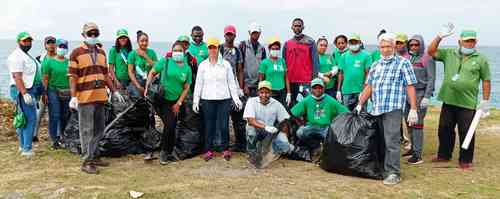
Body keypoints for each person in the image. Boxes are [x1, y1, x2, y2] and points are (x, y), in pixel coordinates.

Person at [356, 33, 418, 185]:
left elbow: (410, 86)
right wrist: (360, 103)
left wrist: (413, 108)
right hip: (376, 108)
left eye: (388, 46)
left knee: (392, 141)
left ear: (394, 46)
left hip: (393, 108)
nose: (385, 50)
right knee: (379, 140)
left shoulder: (403, 63)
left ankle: (393, 173)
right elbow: (369, 86)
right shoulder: (376, 65)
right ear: (379, 48)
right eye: (382, 47)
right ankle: (383, 168)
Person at [427, 23, 491, 170]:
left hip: (467, 103)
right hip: (448, 99)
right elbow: (431, 51)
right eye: (467, 40)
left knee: (466, 131)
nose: (469, 43)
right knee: (444, 128)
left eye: (472, 41)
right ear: (459, 42)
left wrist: (485, 100)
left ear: (475, 42)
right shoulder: (449, 53)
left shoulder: (481, 59)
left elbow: (486, 80)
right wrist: (439, 36)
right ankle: (444, 155)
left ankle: (465, 159)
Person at [68, 22, 125, 174]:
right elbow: (72, 76)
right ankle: (86, 161)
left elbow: (105, 75)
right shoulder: (76, 53)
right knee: (87, 130)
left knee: (99, 129)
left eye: (95, 33)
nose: (93, 36)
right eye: (90, 33)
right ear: (83, 35)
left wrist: (114, 91)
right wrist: (73, 96)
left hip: (100, 96)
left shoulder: (101, 53)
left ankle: (95, 156)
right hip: (85, 97)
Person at [193, 37, 243, 161]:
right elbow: (198, 84)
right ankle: (208, 150)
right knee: (209, 125)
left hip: (224, 99)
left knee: (224, 125)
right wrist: (196, 100)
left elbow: (232, 83)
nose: (212, 50)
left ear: (218, 48)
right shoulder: (203, 66)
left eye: (214, 47)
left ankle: (225, 149)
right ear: (207, 49)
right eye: (210, 47)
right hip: (207, 99)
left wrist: (236, 98)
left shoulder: (225, 65)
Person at [145, 41, 192, 165]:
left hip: (175, 101)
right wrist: (147, 87)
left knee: (171, 125)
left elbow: (186, 87)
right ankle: (164, 153)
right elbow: (152, 72)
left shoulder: (187, 68)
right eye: (175, 50)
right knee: (170, 125)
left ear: (184, 52)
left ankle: (169, 151)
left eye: (180, 51)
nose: (177, 53)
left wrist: (179, 103)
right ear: (172, 51)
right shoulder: (165, 61)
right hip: (162, 100)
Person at [291, 78, 349, 162]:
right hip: (311, 126)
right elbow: (293, 112)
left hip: (326, 128)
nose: (317, 90)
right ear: (311, 89)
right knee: (300, 132)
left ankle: (324, 151)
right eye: (315, 88)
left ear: (323, 88)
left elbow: (345, 112)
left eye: (320, 87)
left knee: (333, 140)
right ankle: (316, 146)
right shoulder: (307, 100)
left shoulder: (330, 100)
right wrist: (301, 123)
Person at [399, 35, 436, 164]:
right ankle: (413, 148)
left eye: (416, 45)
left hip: (420, 94)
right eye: (411, 45)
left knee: (417, 125)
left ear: (421, 45)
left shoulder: (427, 58)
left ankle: (418, 154)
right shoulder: (407, 58)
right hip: (407, 94)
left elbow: (431, 79)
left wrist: (427, 96)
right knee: (409, 122)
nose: (414, 47)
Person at [7, 32, 44, 157]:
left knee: (23, 119)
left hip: (29, 89)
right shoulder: (16, 56)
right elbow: (17, 76)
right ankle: (27, 149)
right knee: (30, 119)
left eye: (29, 41)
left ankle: (22, 145)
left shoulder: (25, 55)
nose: (28, 43)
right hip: (23, 90)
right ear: (18, 42)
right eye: (25, 41)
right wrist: (24, 93)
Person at [243, 81, 294, 168]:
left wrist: (284, 135)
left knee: (285, 146)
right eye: (262, 92)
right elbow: (250, 120)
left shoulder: (276, 104)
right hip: (257, 129)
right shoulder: (251, 101)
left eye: (267, 93)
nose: (264, 95)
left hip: (270, 133)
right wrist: (266, 127)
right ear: (258, 92)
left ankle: (271, 151)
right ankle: (252, 153)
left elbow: (284, 121)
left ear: (271, 93)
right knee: (250, 130)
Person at [219, 25, 247, 152]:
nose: (229, 36)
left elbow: (240, 69)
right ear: (224, 35)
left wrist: (240, 87)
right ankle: (222, 144)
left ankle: (240, 144)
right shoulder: (219, 49)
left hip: (234, 86)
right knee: (222, 117)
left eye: (231, 34)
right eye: (227, 34)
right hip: (222, 86)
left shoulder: (237, 50)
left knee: (238, 117)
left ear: (235, 36)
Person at [42, 38, 71, 150]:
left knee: (65, 116)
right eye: (60, 46)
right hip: (52, 90)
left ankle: (62, 137)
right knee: (54, 115)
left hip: (66, 91)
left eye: (64, 47)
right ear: (56, 47)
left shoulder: (69, 62)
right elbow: (45, 78)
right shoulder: (49, 61)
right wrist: (44, 93)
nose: (62, 49)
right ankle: (54, 139)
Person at [283, 18, 320, 105]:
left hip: (306, 82)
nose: (297, 28)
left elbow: (316, 63)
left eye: (299, 26)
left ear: (303, 27)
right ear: (292, 27)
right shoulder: (287, 44)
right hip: (291, 81)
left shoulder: (310, 42)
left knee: (308, 104)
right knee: (292, 106)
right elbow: (283, 64)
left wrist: (314, 80)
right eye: (295, 26)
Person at [337, 33, 372, 110]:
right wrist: (338, 90)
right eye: (351, 42)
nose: (353, 44)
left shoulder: (366, 56)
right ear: (348, 43)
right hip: (346, 90)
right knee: (347, 114)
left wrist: (364, 90)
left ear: (360, 43)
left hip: (360, 90)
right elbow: (340, 73)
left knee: (362, 113)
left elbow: (368, 74)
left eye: (355, 42)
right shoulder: (344, 56)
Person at [34, 36, 57, 142]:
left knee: (54, 113)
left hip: (56, 89)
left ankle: (55, 136)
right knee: (40, 111)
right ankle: (34, 134)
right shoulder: (39, 58)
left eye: (53, 43)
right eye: (49, 43)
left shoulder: (60, 57)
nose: (51, 45)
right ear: (45, 45)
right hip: (43, 88)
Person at [258, 37, 291, 107]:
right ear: (269, 49)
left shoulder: (282, 61)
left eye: (277, 49)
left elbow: (286, 77)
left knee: (282, 112)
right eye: (273, 49)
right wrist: (261, 93)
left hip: (282, 91)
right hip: (270, 92)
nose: (275, 50)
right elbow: (261, 79)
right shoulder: (265, 62)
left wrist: (288, 93)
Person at [127, 30, 158, 98]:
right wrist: (138, 86)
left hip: (150, 82)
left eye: (146, 41)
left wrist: (145, 56)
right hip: (137, 82)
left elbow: (157, 67)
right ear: (138, 42)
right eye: (142, 41)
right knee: (138, 99)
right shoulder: (132, 54)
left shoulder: (152, 52)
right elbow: (130, 72)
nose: (144, 43)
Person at [239, 22, 267, 97]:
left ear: (260, 33)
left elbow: (263, 69)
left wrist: (261, 86)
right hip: (246, 86)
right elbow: (239, 68)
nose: (255, 34)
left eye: (257, 32)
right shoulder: (242, 46)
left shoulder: (262, 49)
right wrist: (243, 86)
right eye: (253, 32)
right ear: (249, 32)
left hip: (258, 86)